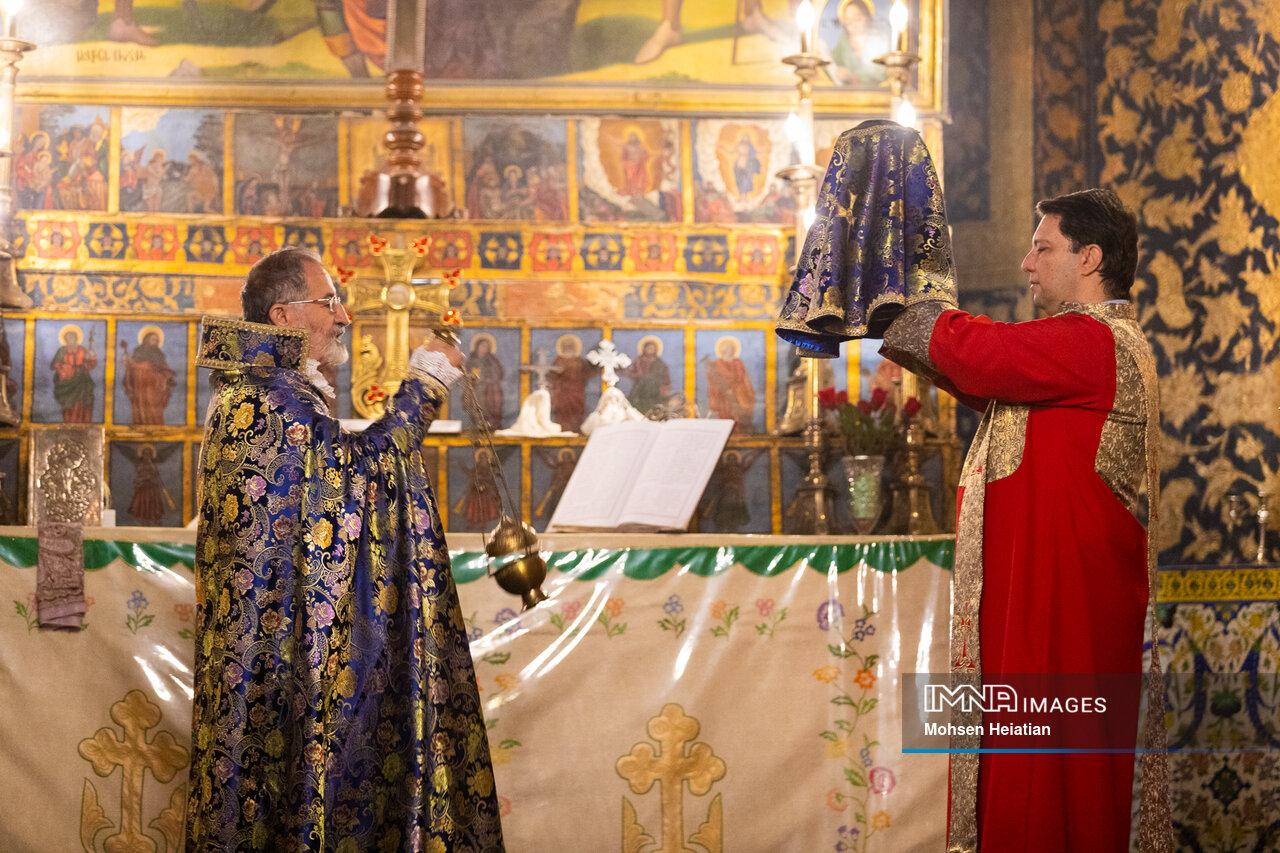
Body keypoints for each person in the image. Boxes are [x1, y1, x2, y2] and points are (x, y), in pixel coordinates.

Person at [878, 188, 1170, 852]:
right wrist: (902, 322)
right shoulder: (1076, 350)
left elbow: (987, 354)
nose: (1026, 263)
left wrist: (900, 296)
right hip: (1041, 605)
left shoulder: (1097, 341)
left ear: (1089, 258)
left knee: (1052, 795)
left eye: (1042, 248)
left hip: (1062, 615)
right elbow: (981, 373)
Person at [186, 247, 504, 852]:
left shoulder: (259, 389)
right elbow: (363, 472)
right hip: (275, 657)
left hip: (268, 645)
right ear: (283, 315)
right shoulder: (268, 397)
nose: (344, 317)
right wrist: (426, 382)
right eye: (329, 301)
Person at [120, 328, 177, 425]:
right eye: (153, 339)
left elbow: (164, 369)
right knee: (140, 406)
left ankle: (156, 427)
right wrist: (129, 364)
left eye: (157, 340)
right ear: (146, 339)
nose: (155, 342)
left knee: (154, 408)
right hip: (139, 385)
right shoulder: (138, 351)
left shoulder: (159, 354)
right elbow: (132, 366)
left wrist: (166, 378)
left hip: (155, 387)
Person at [704, 336, 756, 433]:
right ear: (722, 350)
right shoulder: (717, 363)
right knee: (725, 416)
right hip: (723, 397)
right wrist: (723, 387)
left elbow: (743, 378)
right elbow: (714, 381)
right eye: (727, 348)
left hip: (738, 394)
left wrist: (736, 389)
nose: (729, 350)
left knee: (739, 417)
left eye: (731, 348)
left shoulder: (738, 362)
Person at [51, 325, 97, 423]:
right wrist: (64, 369)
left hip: (82, 381)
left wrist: (92, 356)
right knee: (68, 404)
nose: (70, 340)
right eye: (68, 338)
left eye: (72, 338)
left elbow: (91, 365)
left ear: (76, 338)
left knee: (82, 403)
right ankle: (68, 423)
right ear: (65, 340)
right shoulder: (62, 351)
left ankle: (82, 423)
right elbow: (55, 365)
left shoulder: (82, 350)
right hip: (67, 382)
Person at [620, 336, 671, 416]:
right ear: (644, 348)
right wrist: (625, 371)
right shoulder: (639, 360)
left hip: (654, 391)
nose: (650, 350)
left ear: (656, 350)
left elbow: (666, 378)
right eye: (648, 348)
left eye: (652, 348)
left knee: (654, 410)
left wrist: (664, 389)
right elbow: (634, 373)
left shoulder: (660, 362)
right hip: (640, 391)